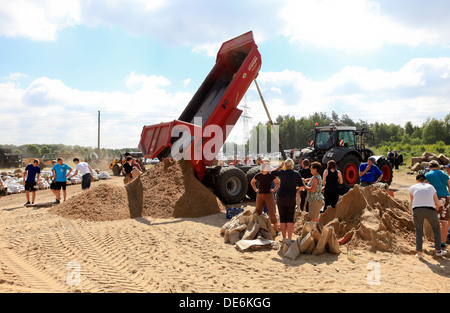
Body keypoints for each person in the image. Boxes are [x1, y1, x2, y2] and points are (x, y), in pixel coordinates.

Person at [409, 174, 447, 258]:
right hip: (430, 209)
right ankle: (438, 250)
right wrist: (436, 208)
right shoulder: (431, 187)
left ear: (417, 180)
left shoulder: (412, 188)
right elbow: (437, 202)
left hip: (417, 209)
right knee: (436, 228)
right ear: (425, 180)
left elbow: (412, 202)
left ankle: (419, 253)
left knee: (418, 231)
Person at [271, 158, 304, 240]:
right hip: (291, 197)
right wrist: (297, 190)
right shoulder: (296, 174)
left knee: (282, 217)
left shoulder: (282, 172)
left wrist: (280, 166)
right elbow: (302, 186)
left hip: (281, 196)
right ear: (292, 165)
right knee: (290, 218)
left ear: (285, 165)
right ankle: (289, 238)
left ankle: (284, 238)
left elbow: (272, 173)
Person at [425, 160, 450, 249]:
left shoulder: (428, 175)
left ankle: (437, 243)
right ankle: (442, 242)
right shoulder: (444, 174)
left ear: (429, 167)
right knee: (445, 221)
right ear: (438, 166)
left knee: (436, 221)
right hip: (446, 198)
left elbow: (426, 188)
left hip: (436, 199)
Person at [251, 162, 280, 236]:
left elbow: (278, 182)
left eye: (268, 167)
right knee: (258, 211)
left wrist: (274, 190)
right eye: (267, 167)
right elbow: (252, 182)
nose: (268, 168)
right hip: (260, 195)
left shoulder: (270, 176)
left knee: (272, 212)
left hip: (268, 195)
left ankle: (276, 229)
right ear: (264, 168)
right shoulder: (258, 175)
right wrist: (255, 189)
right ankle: (257, 229)